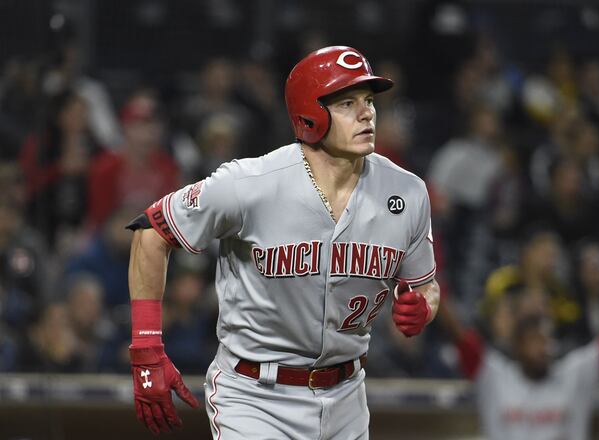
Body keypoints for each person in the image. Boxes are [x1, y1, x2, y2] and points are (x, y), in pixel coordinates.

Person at [125, 46, 439, 438]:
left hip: (347, 398)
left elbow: (424, 284)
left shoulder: (407, 192)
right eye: (346, 103)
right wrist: (147, 349)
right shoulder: (250, 185)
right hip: (256, 396)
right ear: (310, 115)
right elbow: (151, 232)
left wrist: (423, 305)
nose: (367, 113)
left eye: (368, 101)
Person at [439, 266, 599, 440]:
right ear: (518, 347)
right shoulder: (494, 376)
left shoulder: (575, 374)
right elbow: (458, 333)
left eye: (547, 340)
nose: (544, 347)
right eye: (534, 341)